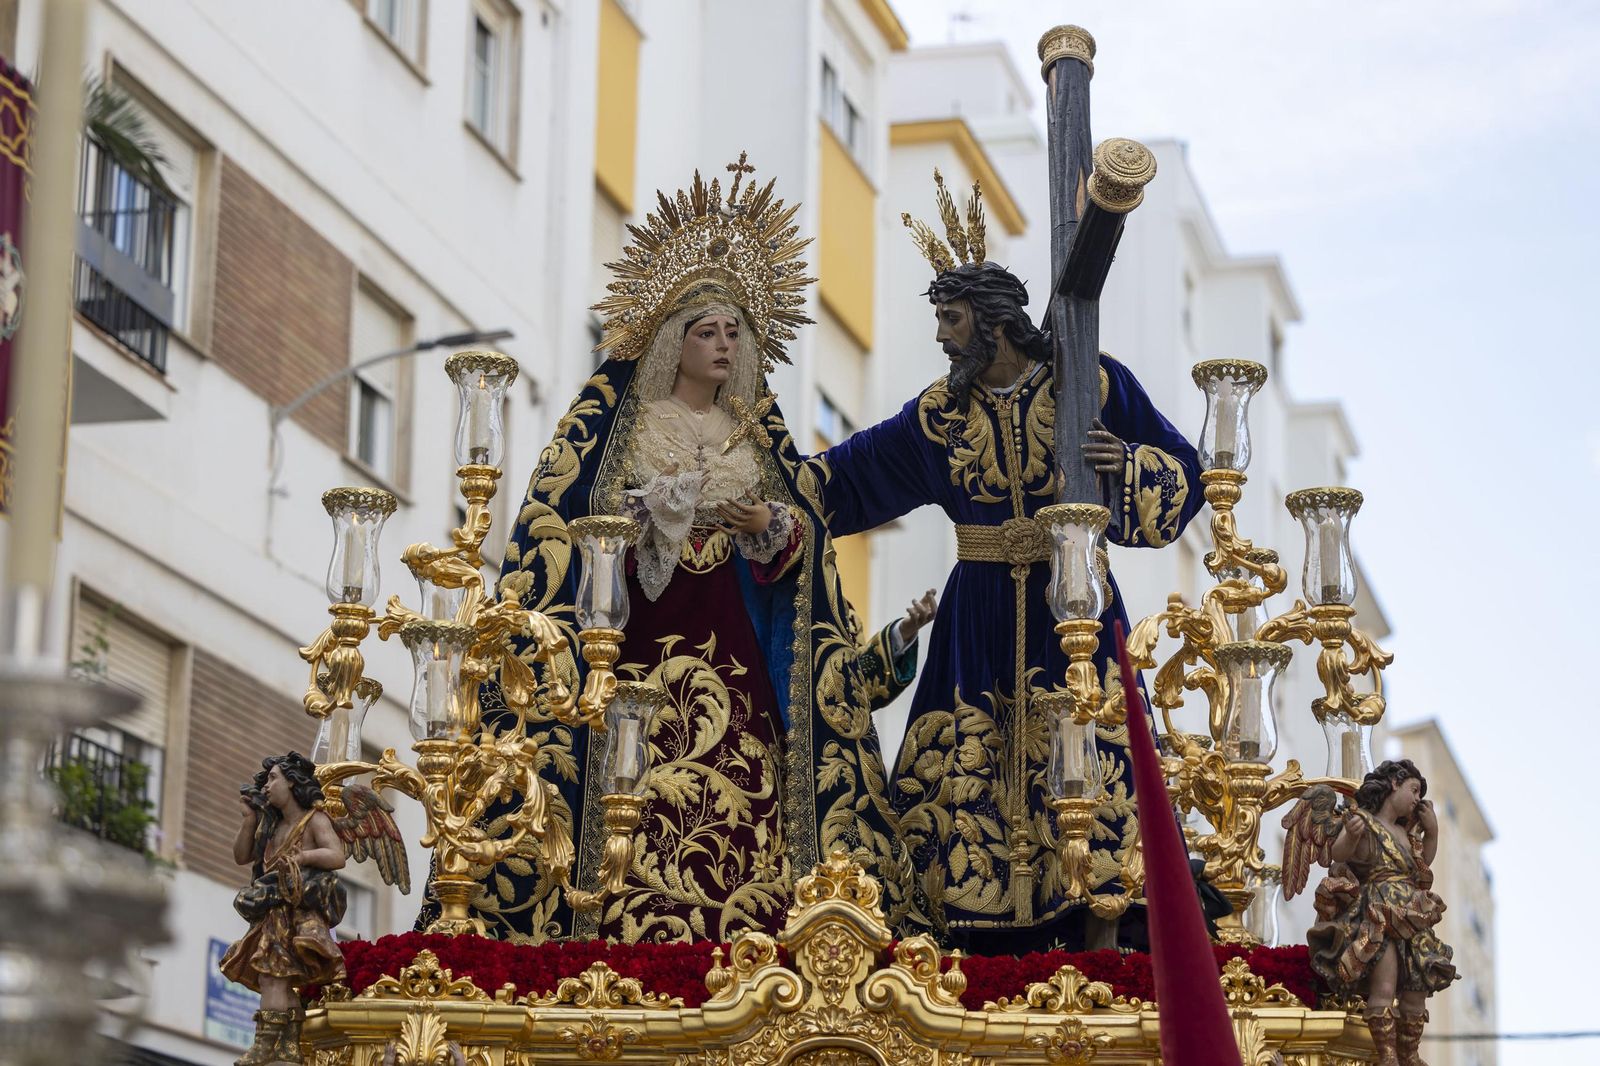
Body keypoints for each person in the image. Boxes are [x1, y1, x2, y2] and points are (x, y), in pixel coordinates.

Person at [454, 162, 921, 944]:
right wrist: (654, 516)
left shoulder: (760, 439)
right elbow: (575, 530)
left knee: (752, 798)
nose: (722, 344)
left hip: (740, 657)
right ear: (672, 340)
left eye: (734, 332)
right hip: (640, 654)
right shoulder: (622, 432)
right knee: (636, 800)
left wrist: (769, 527)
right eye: (707, 331)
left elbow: (801, 553)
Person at [810, 174, 1203, 950]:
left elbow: (1184, 472)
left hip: (1077, 606)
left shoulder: (1088, 379)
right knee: (967, 781)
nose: (941, 337)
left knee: (1094, 757)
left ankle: (1102, 927)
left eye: (951, 320)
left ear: (994, 322)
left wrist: (1126, 462)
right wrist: (748, 470)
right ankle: (967, 944)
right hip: (978, 613)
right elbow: (847, 479)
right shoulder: (938, 415)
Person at [1303, 760, 1457, 1066]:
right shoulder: (1366, 822)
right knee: (1384, 984)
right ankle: (1387, 1055)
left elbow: (1420, 868)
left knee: (1416, 985)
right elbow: (1339, 854)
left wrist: (1433, 834)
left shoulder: (1404, 833)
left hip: (1413, 914)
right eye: (1413, 789)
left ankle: (1409, 1053)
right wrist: (1350, 834)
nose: (1416, 799)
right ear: (1393, 784)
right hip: (1380, 913)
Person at [221, 753, 347, 1066]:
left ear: (291, 781)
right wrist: (249, 820)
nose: (266, 787)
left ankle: (265, 1045)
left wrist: (304, 858)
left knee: (272, 976)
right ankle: (289, 1045)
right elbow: (241, 855)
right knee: (278, 977)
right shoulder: (270, 824)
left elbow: (336, 856)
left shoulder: (314, 819)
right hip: (271, 911)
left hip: (298, 912)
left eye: (273, 778)